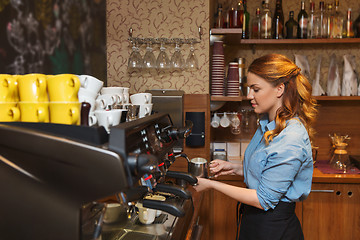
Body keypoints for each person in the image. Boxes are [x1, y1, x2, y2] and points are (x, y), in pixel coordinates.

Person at [194, 54, 318, 239]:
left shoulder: (291, 137)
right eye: (249, 88)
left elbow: (263, 199)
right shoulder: (266, 126)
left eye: (256, 89)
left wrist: (211, 185)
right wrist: (234, 168)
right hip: (254, 222)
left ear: (279, 89)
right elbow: (268, 172)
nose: (249, 95)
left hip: (274, 228)